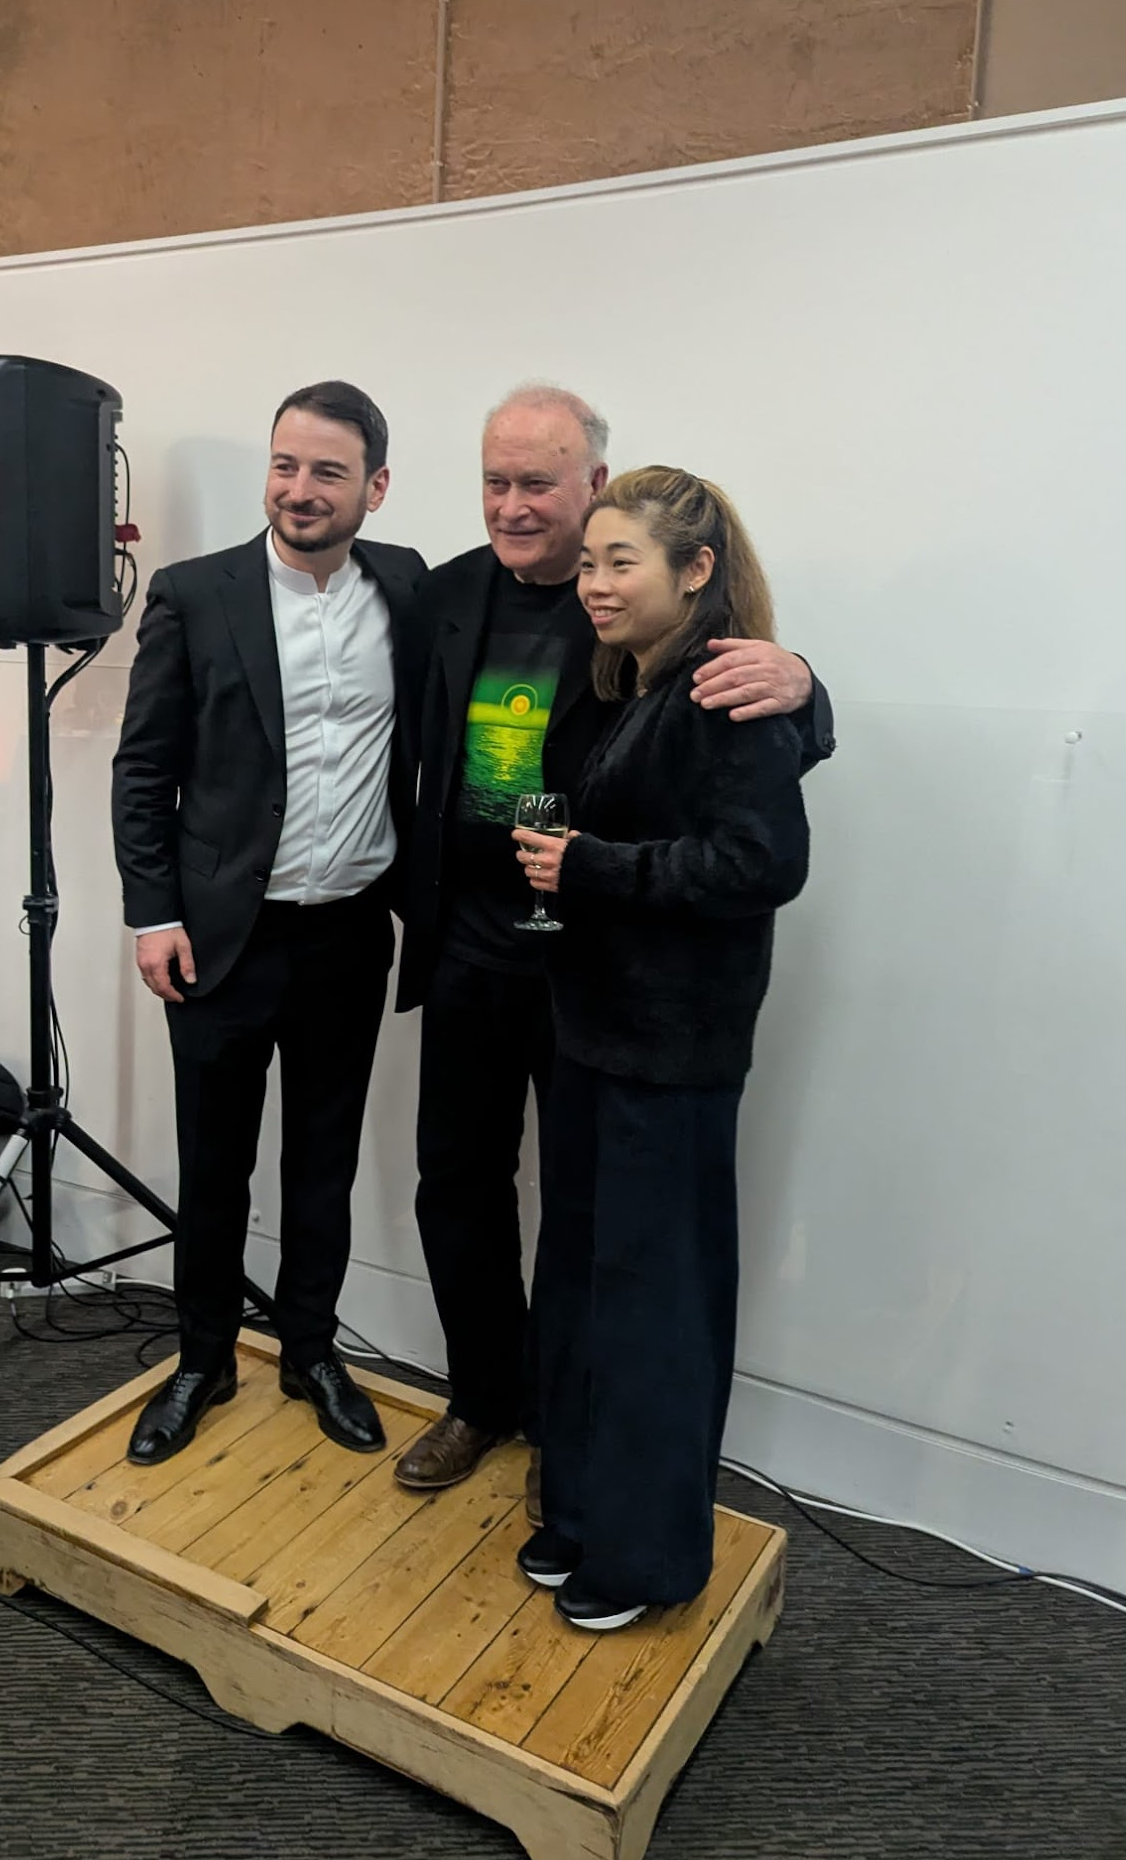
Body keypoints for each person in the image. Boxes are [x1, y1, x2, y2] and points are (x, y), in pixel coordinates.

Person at [393, 386, 833, 1503]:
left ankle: (569, 1434)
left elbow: (741, 742)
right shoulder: (438, 596)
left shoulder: (651, 616)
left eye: (537, 482)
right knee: (457, 1183)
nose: (512, 504)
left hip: (596, 964)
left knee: (590, 1221)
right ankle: (484, 1400)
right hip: (472, 954)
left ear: (594, 485)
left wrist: (810, 688)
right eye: (496, 481)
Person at [511, 466, 809, 1630]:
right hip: (592, 1038)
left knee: (655, 1313)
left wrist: (593, 868)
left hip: (672, 1058)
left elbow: (762, 866)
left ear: (696, 571)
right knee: (584, 1292)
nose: (592, 582)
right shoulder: (625, 681)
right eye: (586, 561)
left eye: (617, 560)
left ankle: (648, 1559)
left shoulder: (731, 689)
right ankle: (584, 1511)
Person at [111, 381, 427, 1466]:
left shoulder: (410, 585)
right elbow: (144, 768)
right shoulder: (197, 594)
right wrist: (150, 915)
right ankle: (201, 1357)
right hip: (219, 938)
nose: (298, 489)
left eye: (327, 471)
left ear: (374, 488)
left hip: (348, 935)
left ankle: (309, 1351)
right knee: (214, 1163)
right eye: (285, 465)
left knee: (323, 1162)